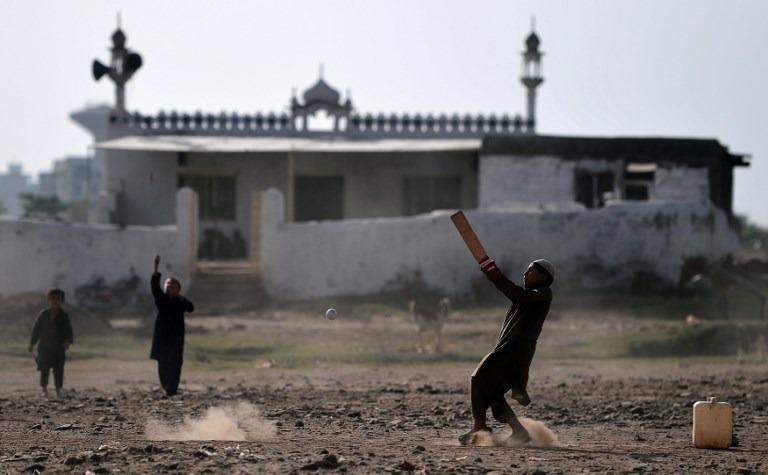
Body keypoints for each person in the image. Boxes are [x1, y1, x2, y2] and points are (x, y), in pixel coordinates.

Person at [460, 258, 555, 446]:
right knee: (494, 392)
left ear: (544, 276)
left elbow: (517, 293)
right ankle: (519, 432)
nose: (525, 274)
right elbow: (515, 293)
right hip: (510, 348)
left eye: (531, 271)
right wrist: (493, 275)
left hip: (515, 349)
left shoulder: (543, 293)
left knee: (478, 378)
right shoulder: (525, 297)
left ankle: (480, 427)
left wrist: (495, 275)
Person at [149, 255, 194, 396]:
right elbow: (155, 287)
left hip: (176, 337)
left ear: (178, 288)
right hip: (162, 336)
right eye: (167, 283)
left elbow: (191, 307)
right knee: (162, 362)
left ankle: (172, 388)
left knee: (175, 363)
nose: (169, 285)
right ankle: (165, 386)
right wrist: (156, 269)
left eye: (172, 284)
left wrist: (180, 297)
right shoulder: (161, 299)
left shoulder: (180, 302)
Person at [29, 289, 74, 398]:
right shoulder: (44, 315)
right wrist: (32, 343)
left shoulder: (64, 316)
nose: (55, 301)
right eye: (53, 298)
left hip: (59, 347)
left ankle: (58, 389)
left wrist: (67, 341)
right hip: (44, 347)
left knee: (59, 369)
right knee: (44, 368)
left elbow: (69, 330)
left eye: (58, 299)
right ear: (48, 300)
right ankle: (44, 389)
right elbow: (36, 329)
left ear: (62, 301)